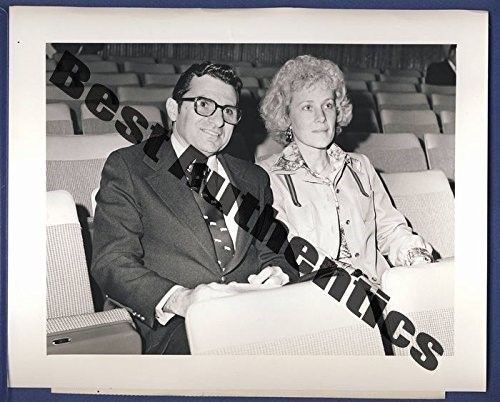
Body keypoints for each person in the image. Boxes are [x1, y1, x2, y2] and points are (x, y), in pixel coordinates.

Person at [91, 62, 295, 355]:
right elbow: (111, 261)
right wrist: (182, 299)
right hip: (175, 326)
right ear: (174, 110)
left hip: (255, 314)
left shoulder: (253, 178)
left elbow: (276, 251)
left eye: (228, 111)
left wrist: (277, 273)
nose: (218, 121)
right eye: (204, 105)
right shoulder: (129, 167)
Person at [258, 55, 434, 285]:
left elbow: (390, 230)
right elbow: (284, 253)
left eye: (328, 105)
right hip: (320, 297)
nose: (321, 117)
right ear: (287, 116)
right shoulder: (268, 176)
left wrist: (414, 255)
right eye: (307, 107)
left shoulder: (360, 166)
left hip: (379, 287)